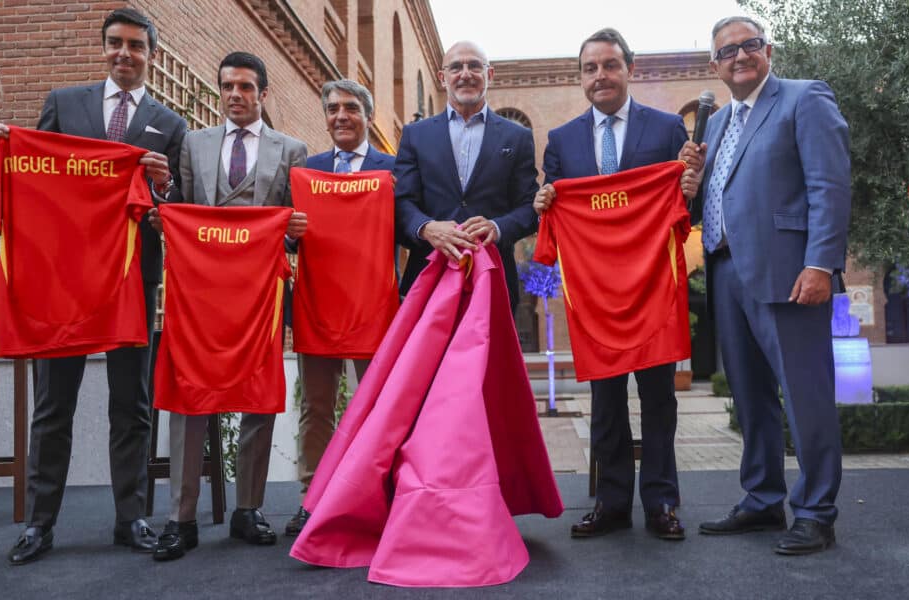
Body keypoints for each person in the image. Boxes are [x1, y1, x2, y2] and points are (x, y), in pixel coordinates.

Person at [0, 7, 186, 565]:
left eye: (136, 46)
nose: (125, 54)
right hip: (64, 282)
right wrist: (9, 148)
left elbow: (172, 211)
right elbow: (33, 176)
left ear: (152, 55)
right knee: (54, 405)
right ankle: (40, 524)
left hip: (130, 278)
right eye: (116, 44)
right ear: (103, 48)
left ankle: (132, 517)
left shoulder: (168, 124)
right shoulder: (63, 103)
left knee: (133, 404)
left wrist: (163, 189)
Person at [533, 28, 702, 542]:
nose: (600, 76)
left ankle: (662, 503)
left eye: (610, 65)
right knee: (605, 403)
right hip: (595, 298)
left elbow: (683, 210)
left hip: (652, 292)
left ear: (630, 69)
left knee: (658, 402)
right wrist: (545, 203)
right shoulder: (561, 142)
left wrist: (690, 188)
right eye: (590, 68)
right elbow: (555, 204)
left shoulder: (668, 128)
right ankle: (609, 503)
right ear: (580, 76)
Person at [692, 16, 850, 555]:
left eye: (750, 45)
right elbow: (721, 197)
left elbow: (829, 185)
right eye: (728, 51)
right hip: (727, 269)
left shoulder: (805, 99)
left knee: (805, 395)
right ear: (715, 65)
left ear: (768, 50)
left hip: (790, 272)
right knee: (750, 397)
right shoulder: (715, 124)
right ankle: (762, 501)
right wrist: (693, 185)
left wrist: (821, 264)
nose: (740, 56)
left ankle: (816, 512)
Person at [150, 51, 308, 561]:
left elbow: (294, 237)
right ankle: (181, 516)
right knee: (189, 394)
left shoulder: (292, 149)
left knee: (259, 396)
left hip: (261, 296)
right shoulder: (194, 144)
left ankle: (248, 509)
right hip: (201, 295)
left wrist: (293, 235)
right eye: (227, 87)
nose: (235, 95)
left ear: (263, 93)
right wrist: (166, 218)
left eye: (245, 87)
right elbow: (186, 213)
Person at [284, 79, 396, 538]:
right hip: (317, 307)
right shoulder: (306, 170)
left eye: (351, 108)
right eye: (332, 109)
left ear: (367, 116)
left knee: (381, 409)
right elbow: (288, 238)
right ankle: (314, 500)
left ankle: (381, 496)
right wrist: (289, 231)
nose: (341, 116)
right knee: (317, 408)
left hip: (375, 308)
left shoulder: (393, 169)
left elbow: (407, 227)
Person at [394, 41, 539, 314]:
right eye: (456, 67)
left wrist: (497, 228)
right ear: (442, 77)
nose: (465, 73)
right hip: (428, 276)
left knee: (490, 358)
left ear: (490, 75)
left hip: (493, 277)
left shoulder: (516, 137)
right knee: (428, 358)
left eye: (474, 66)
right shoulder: (415, 134)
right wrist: (426, 227)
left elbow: (529, 208)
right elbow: (401, 202)